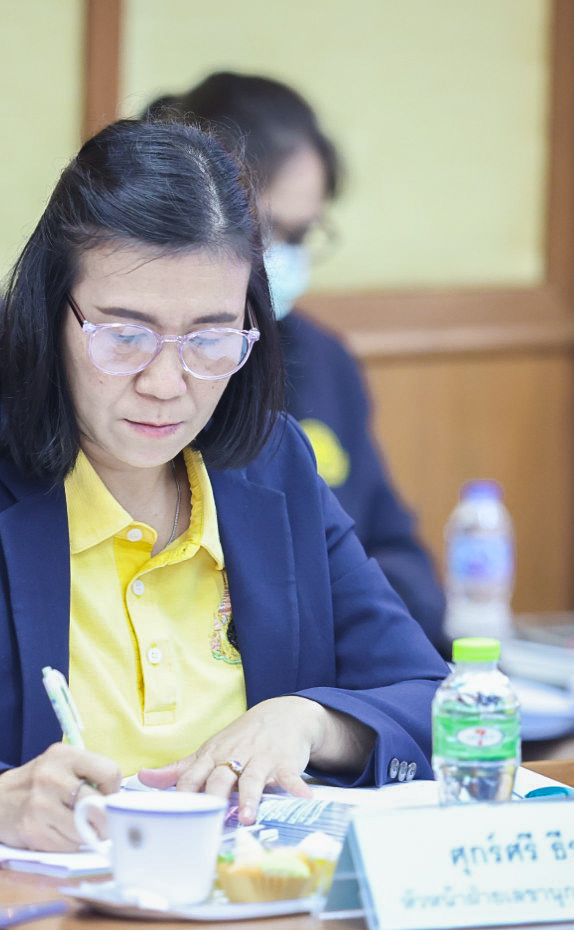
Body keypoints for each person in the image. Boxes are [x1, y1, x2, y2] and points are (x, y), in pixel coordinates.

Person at [0, 120, 445, 852]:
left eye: (209, 339)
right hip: (33, 910)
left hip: (249, 903)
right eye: (125, 336)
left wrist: (308, 721)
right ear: (52, 315)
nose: (166, 383)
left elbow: (434, 700)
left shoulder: (273, 468)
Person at [146, 73, 447, 652]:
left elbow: (395, 554)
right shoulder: (151, 371)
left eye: (302, 235)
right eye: (267, 229)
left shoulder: (327, 360)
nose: (281, 256)